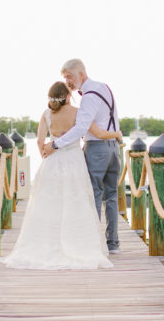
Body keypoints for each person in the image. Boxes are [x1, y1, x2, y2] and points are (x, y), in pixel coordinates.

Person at [1, 81, 122, 270]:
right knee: (77, 201)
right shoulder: (77, 112)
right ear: (67, 96)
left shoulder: (46, 114)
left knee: (50, 203)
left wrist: (45, 154)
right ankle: (80, 243)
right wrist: (116, 134)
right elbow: (97, 132)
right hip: (74, 162)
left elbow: (41, 141)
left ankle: (48, 243)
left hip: (52, 162)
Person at [42, 59, 123, 254]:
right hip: (114, 148)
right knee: (111, 195)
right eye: (65, 78)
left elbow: (81, 128)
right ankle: (113, 244)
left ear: (81, 74)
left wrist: (55, 144)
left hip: (96, 148)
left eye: (69, 76)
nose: (67, 81)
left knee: (94, 193)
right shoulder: (105, 88)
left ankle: (94, 245)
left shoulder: (88, 97)